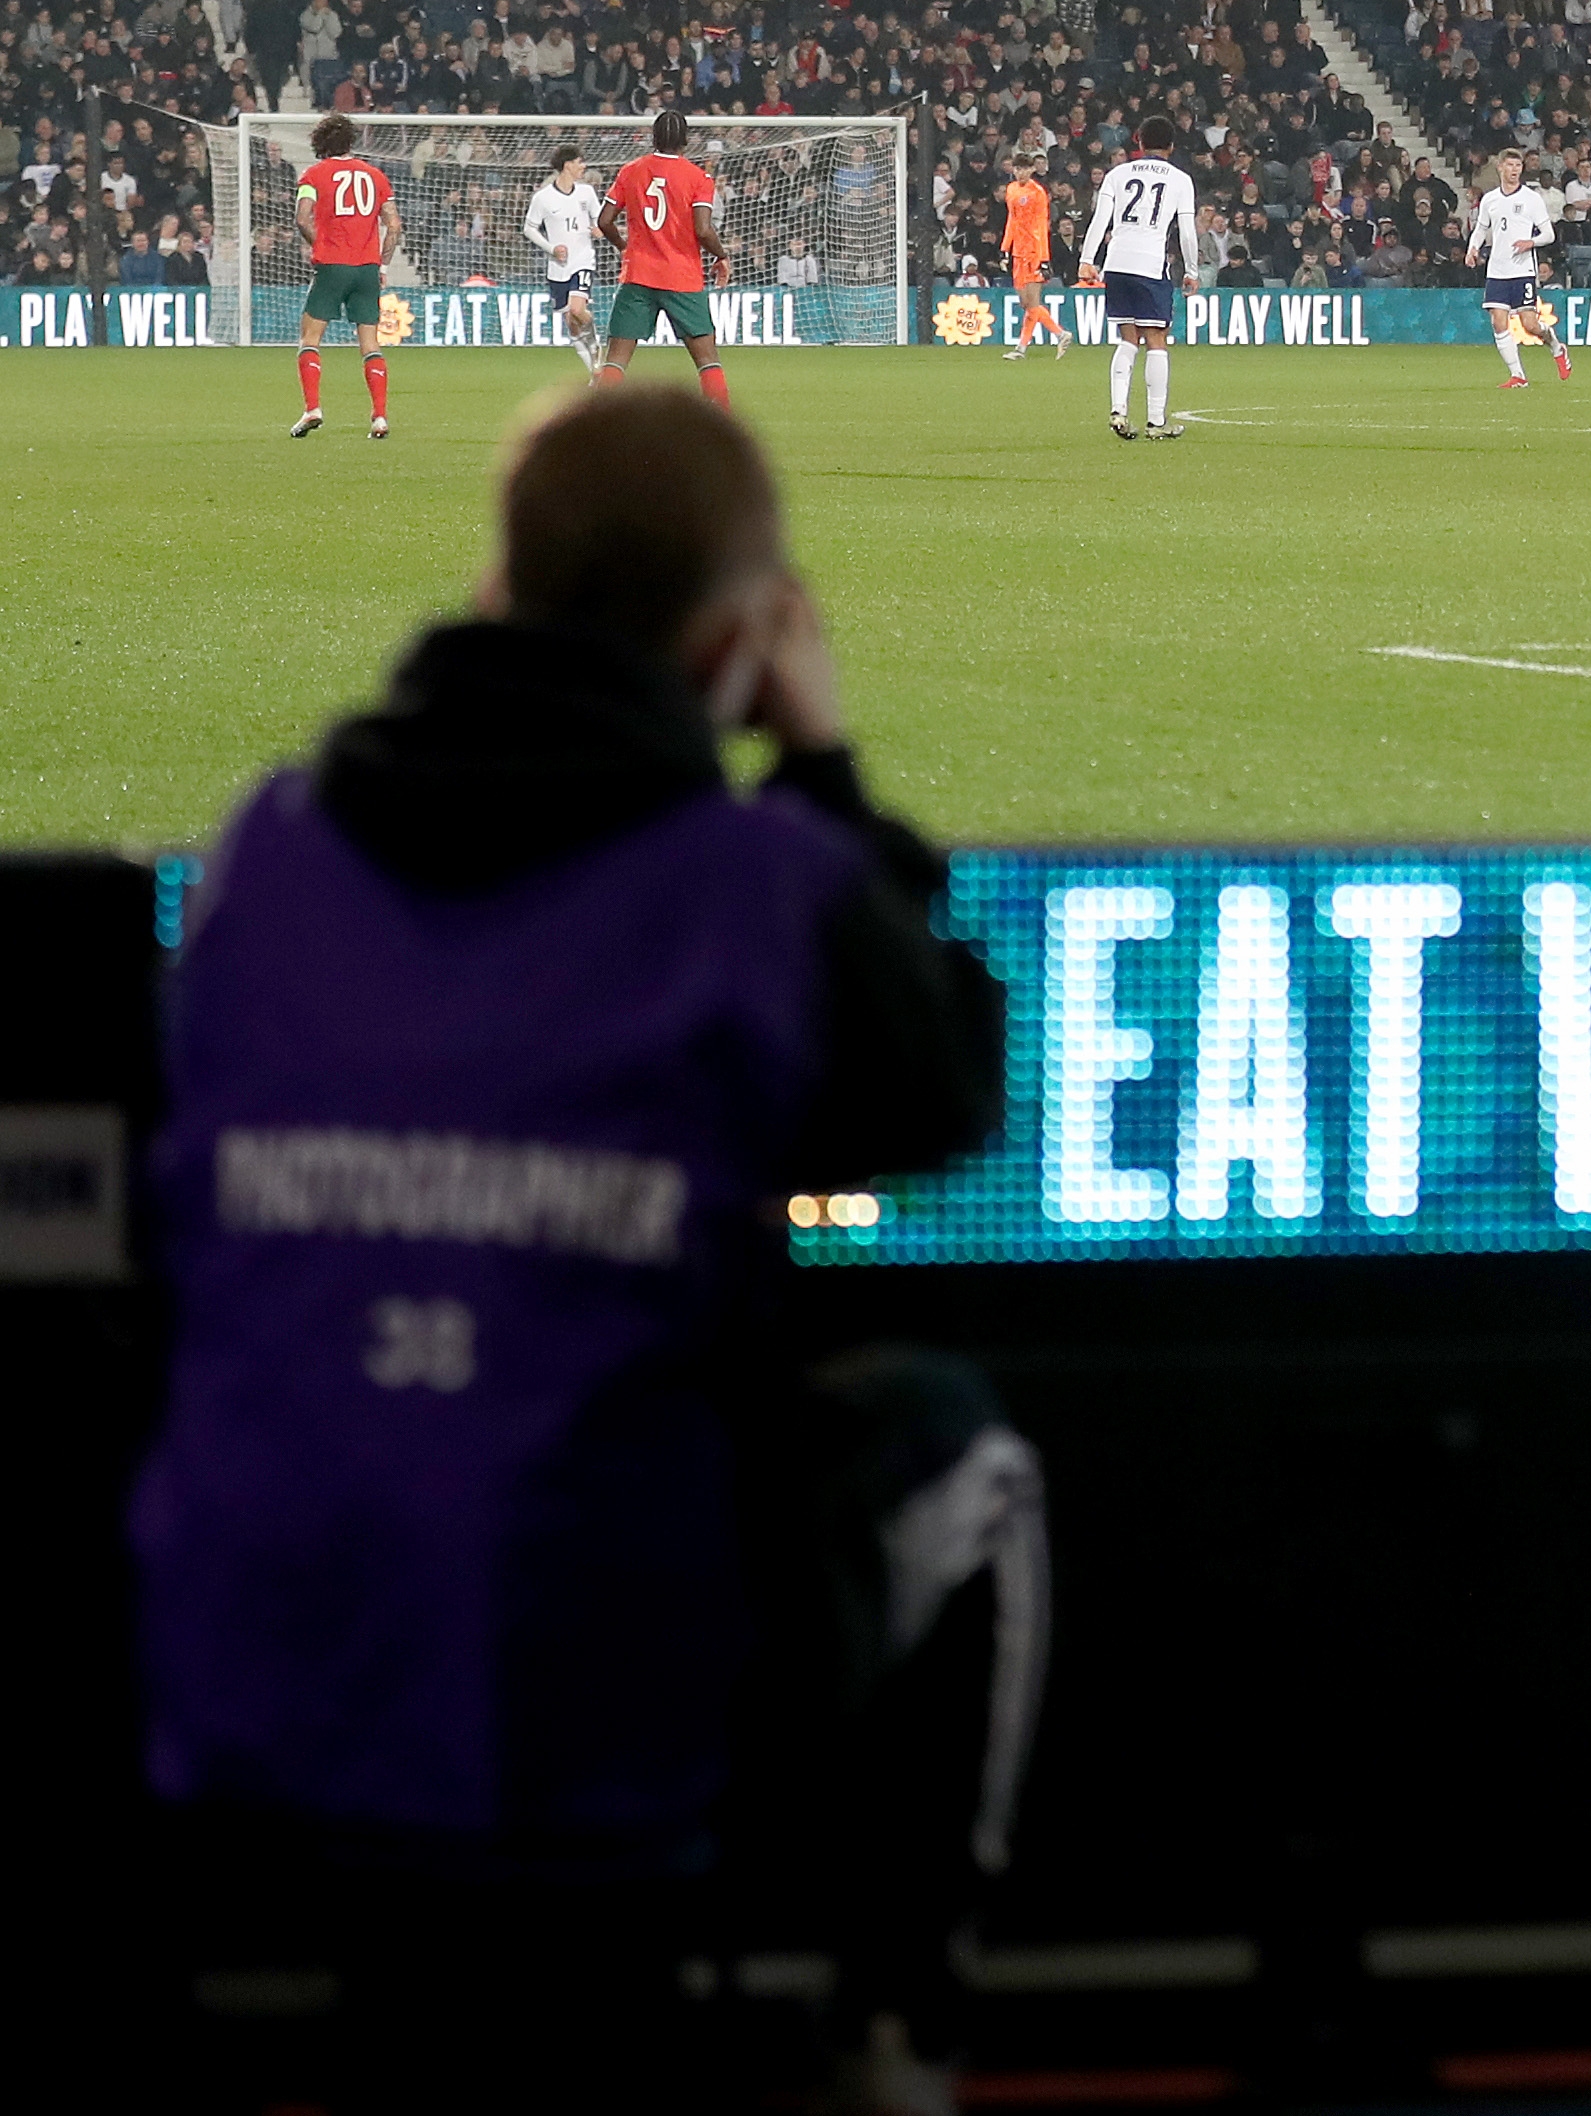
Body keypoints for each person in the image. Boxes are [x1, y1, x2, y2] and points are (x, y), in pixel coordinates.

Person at [138, 387, 1030, 2112]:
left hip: (253, 1669)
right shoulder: (758, 887)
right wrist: (827, 766)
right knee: (965, 1451)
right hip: (583, 1707)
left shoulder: (262, 849)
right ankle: (891, 2041)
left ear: (492, 590)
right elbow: (941, 1093)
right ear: (732, 643)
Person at [596, 109, 733, 407]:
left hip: (638, 276)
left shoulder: (630, 170)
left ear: (653, 137)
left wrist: (623, 246)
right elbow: (703, 229)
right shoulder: (698, 178)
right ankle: (723, 427)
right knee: (707, 361)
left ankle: (591, 429)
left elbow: (605, 220)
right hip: (682, 277)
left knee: (616, 362)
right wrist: (721, 256)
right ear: (685, 140)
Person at [1082, 121, 1200, 442]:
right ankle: (1156, 421)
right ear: (1172, 146)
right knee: (1157, 341)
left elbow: (1099, 220)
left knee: (1128, 338)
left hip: (1117, 263)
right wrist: (1192, 269)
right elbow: (1187, 231)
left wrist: (1086, 260)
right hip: (1149, 264)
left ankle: (1118, 409)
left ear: (1139, 141)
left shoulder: (1117, 174)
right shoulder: (1180, 179)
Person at [289, 115, 395, 443]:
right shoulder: (376, 176)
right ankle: (379, 417)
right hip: (366, 268)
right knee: (370, 344)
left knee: (310, 338)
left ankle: (313, 408)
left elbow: (302, 218)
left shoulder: (313, 175)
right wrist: (383, 266)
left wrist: (320, 246)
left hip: (333, 266)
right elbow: (394, 225)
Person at [1466, 145, 1568, 389]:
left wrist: (1530, 242)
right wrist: (1473, 249)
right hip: (1497, 271)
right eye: (1510, 165)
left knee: (1529, 325)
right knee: (1498, 321)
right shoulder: (1490, 199)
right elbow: (1481, 228)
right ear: (1500, 167)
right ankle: (1518, 376)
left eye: (1518, 166)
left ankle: (1556, 346)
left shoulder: (1531, 199)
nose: (1514, 170)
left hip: (1523, 271)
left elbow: (1549, 234)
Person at [522, 144, 607, 376]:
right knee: (570, 322)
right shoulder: (543, 197)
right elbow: (529, 228)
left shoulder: (586, 192)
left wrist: (600, 229)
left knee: (578, 309)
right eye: (580, 162)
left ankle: (597, 347)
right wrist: (551, 248)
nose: (584, 166)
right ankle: (595, 372)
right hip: (558, 267)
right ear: (567, 165)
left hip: (582, 260)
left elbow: (600, 220)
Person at [999, 160, 1057, 360]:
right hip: (1018, 252)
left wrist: (1044, 258)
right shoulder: (1011, 189)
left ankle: (1021, 348)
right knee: (1026, 303)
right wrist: (1005, 248)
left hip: (1034, 252)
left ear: (1032, 170)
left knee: (1032, 302)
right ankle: (1061, 333)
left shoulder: (1037, 192)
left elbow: (1042, 225)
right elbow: (1012, 220)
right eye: (1017, 169)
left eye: (1024, 169)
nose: (1020, 173)